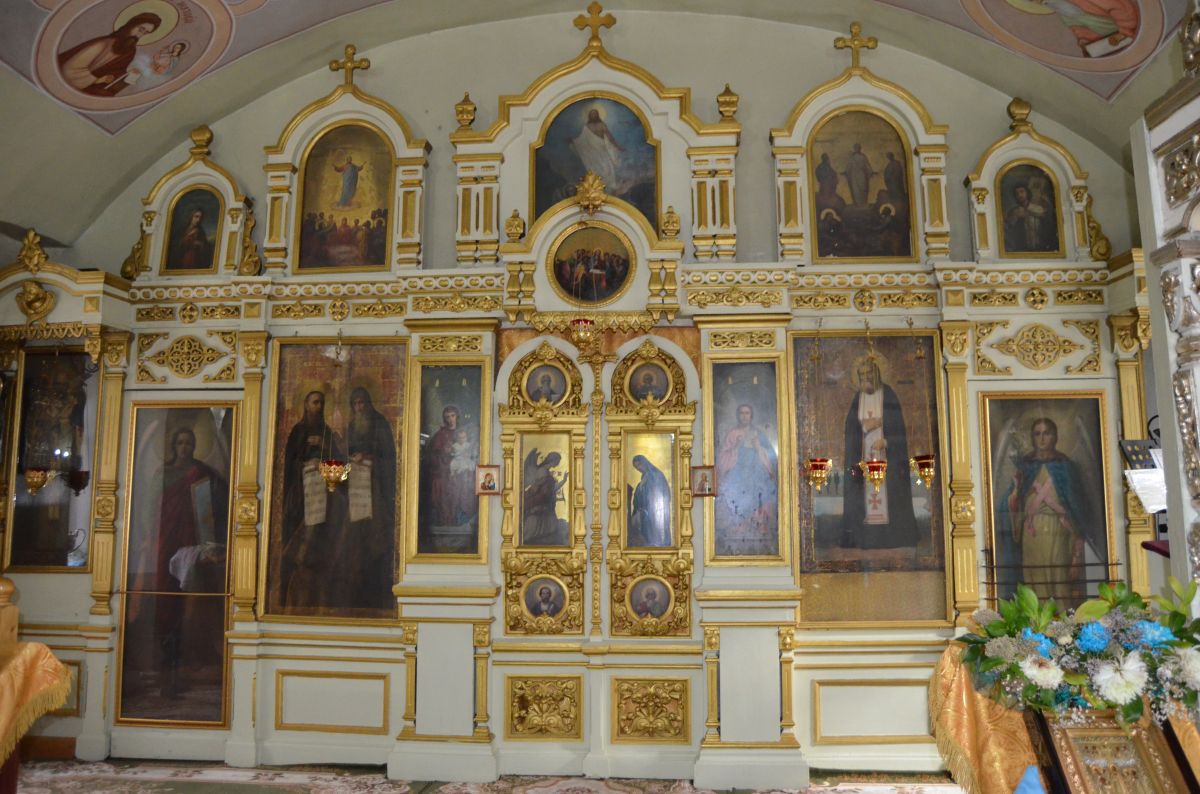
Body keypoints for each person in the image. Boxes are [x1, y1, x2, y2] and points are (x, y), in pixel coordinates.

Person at [140, 427, 228, 694]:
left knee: (195, 598)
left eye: (189, 443)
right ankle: (167, 661)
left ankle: (190, 658)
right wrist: (148, 536)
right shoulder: (163, 474)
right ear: (173, 446)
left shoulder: (202, 472)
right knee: (167, 596)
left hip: (193, 541)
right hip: (166, 540)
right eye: (180, 442)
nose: (184, 447)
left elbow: (219, 500)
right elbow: (149, 508)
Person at [1003, 417, 1091, 603]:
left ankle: (1061, 617)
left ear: (1055, 437)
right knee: (1034, 578)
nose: (1042, 439)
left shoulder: (1065, 466)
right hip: (1032, 532)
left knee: (1059, 578)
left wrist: (1077, 539)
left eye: (1047, 433)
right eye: (1037, 434)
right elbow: (1014, 501)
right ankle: (1037, 616)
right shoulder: (1025, 466)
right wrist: (1014, 495)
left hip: (1058, 528)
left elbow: (1077, 504)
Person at [840, 355, 918, 550]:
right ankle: (864, 537)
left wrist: (886, 441)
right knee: (864, 492)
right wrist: (865, 427)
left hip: (886, 457)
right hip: (863, 456)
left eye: (869, 374)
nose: (865, 378)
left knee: (888, 493)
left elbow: (899, 429)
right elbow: (850, 429)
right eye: (862, 375)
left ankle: (889, 536)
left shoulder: (888, 394)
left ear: (877, 374)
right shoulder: (858, 398)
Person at [279, 390, 345, 611]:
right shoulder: (297, 432)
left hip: (325, 495)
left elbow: (340, 471)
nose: (319, 406)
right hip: (302, 493)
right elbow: (288, 465)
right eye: (315, 402)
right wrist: (305, 464)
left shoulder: (327, 433)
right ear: (306, 405)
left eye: (322, 403)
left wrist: (325, 449)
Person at [343, 387, 396, 610]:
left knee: (376, 540)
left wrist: (368, 458)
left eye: (362, 403)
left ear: (368, 403)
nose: (359, 407)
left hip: (376, 491)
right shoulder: (351, 427)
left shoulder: (380, 424)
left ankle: (377, 588)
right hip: (355, 491)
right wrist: (351, 459)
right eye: (355, 404)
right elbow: (344, 455)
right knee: (355, 541)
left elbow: (390, 458)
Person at [714, 403, 779, 555]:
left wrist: (758, 447)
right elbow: (722, 457)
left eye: (747, 413)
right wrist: (736, 446)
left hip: (757, 473)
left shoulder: (758, 434)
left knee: (761, 496)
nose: (744, 416)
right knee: (736, 498)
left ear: (751, 416)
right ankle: (739, 533)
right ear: (738, 415)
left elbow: (771, 457)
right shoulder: (732, 434)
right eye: (742, 413)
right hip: (737, 474)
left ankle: (759, 532)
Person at [57, 13, 162, 96]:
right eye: (141, 29)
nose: (140, 35)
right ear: (131, 25)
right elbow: (68, 71)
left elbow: (116, 72)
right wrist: (98, 80)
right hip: (74, 83)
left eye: (145, 33)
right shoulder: (104, 43)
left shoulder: (130, 51)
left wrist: (129, 75)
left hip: (92, 86)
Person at [419, 406, 478, 552]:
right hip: (444, 471)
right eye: (447, 417)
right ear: (444, 419)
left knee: (465, 485)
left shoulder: (464, 432)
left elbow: (473, 452)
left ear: (457, 416)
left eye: (452, 416)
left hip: (462, 472)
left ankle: (461, 519)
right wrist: (444, 454)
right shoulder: (440, 435)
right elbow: (432, 456)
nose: (450, 419)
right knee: (443, 486)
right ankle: (447, 520)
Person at [1026, 0, 1139, 56]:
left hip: (1127, 31)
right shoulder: (1059, 7)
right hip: (1111, 42)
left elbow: (1124, 9)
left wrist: (1123, 32)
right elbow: (1076, 25)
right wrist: (1085, 40)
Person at [570, 107, 624, 192]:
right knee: (595, 168)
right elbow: (582, 139)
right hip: (593, 153)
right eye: (592, 114)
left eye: (595, 114)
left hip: (602, 148)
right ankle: (598, 187)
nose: (593, 116)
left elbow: (609, 137)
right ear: (589, 116)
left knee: (608, 167)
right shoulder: (587, 126)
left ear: (598, 115)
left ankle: (610, 185)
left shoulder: (602, 125)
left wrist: (617, 146)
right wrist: (574, 142)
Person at [521, 449, 569, 546]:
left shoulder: (547, 471)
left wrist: (564, 480)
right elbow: (537, 488)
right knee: (535, 524)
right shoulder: (542, 471)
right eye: (558, 461)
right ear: (553, 460)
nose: (558, 463)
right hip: (539, 501)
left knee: (550, 527)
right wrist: (542, 495)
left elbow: (552, 489)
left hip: (546, 502)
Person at [628, 454, 671, 548]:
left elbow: (661, 493)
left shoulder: (656, 475)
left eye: (639, 465)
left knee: (655, 532)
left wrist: (643, 487)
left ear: (644, 462)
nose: (638, 468)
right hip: (646, 512)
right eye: (636, 467)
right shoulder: (644, 476)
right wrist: (640, 487)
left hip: (656, 511)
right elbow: (641, 494)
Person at [1004, 181, 1056, 252]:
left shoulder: (1038, 208)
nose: (1019, 195)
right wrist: (1015, 217)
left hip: (1040, 247)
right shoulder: (1014, 211)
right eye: (1017, 193)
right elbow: (1009, 228)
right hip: (1022, 248)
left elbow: (1048, 225)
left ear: (1027, 193)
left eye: (1022, 192)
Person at [843, 143, 874, 207]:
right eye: (856, 148)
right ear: (855, 149)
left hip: (861, 175)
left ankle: (862, 203)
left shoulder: (862, 156)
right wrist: (846, 172)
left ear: (860, 148)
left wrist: (870, 172)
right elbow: (849, 166)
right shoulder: (852, 157)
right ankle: (858, 203)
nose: (857, 149)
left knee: (863, 188)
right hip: (854, 176)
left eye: (858, 148)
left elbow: (867, 165)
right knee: (856, 189)